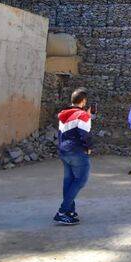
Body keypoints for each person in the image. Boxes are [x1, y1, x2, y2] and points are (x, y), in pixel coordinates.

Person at [54, 88, 93, 225]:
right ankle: (62, 211)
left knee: (69, 181)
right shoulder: (83, 115)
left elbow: (61, 134)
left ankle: (70, 211)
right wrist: (88, 148)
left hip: (64, 150)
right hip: (77, 151)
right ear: (83, 101)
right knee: (81, 180)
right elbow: (85, 135)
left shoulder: (63, 114)